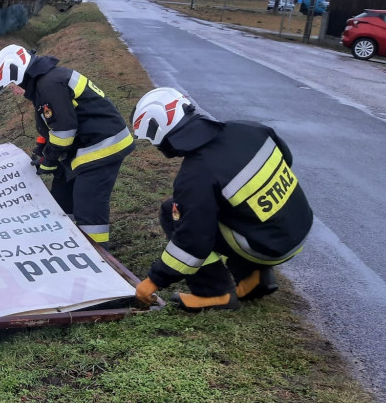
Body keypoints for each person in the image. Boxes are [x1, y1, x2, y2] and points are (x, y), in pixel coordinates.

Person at [130, 87, 313, 311]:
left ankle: (215, 293)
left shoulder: (196, 175)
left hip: (269, 247)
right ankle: (254, 276)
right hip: (299, 226)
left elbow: (192, 242)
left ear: (160, 132)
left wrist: (153, 281)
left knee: (173, 212)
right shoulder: (246, 128)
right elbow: (287, 157)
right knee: (230, 208)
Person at [0, 44, 134, 246]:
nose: (14, 92)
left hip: (103, 145)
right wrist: (41, 147)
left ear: (20, 75)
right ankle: (67, 242)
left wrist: (49, 159)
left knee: (87, 202)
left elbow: (64, 131)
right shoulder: (44, 82)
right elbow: (52, 123)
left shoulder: (50, 85)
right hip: (85, 143)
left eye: (11, 86)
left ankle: (99, 256)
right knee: (61, 194)